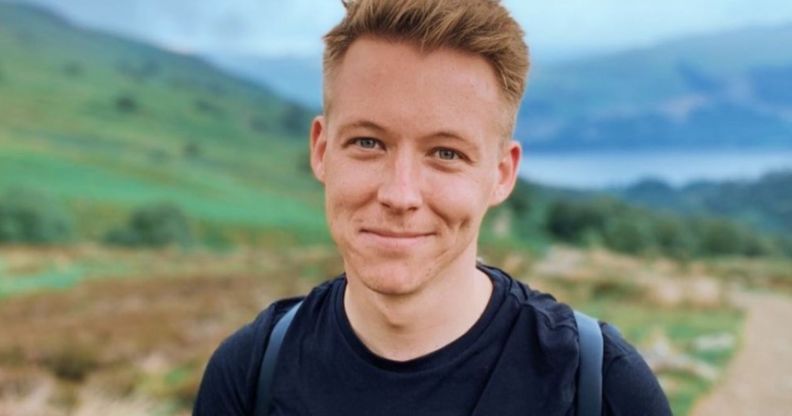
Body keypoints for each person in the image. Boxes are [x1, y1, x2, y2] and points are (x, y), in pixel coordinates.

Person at [193, 0, 671, 414]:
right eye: (367, 142)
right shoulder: (249, 375)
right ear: (321, 150)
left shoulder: (603, 386)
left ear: (501, 174)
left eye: (446, 153)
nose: (400, 195)